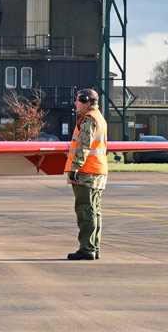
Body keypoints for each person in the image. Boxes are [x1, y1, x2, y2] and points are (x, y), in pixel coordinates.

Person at [64, 89, 107, 260]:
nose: (75, 103)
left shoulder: (89, 119)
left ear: (86, 101)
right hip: (97, 171)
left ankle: (87, 249)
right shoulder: (99, 118)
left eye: (78, 100)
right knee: (94, 211)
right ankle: (94, 248)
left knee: (85, 211)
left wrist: (74, 168)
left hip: (87, 172)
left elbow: (83, 146)